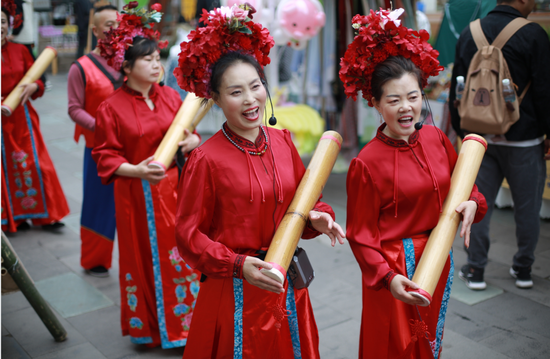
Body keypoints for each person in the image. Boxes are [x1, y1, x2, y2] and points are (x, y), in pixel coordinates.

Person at [174, 5, 345, 358]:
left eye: (255, 86)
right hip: (237, 289)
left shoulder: (282, 140)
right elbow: (188, 236)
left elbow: (305, 201)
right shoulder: (206, 159)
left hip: (287, 283)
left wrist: (319, 217)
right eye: (236, 92)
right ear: (217, 100)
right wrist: (238, 265)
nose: (250, 99)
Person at [340, 9, 488, 359]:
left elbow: (465, 188)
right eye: (393, 100)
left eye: (413, 96)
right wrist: (387, 277)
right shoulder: (366, 163)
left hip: (438, 260)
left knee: (427, 341)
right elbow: (360, 236)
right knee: (394, 346)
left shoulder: (436, 138)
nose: (406, 108)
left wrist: (473, 204)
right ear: (375, 103)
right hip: (394, 272)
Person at [92, 3, 201, 348]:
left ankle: (188, 323)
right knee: (144, 255)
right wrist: (136, 170)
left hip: (176, 189)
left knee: (183, 253)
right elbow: (105, 156)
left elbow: (190, 137)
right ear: (126, 66)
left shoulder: (171, 96)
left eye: (158, 58)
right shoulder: (110, 107)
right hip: (137, 193)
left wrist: (193, 141)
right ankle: (152, 328)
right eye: (148, 60)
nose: (157, 65)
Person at [449, 0, 550, 290]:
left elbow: (459, 85)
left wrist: (464, 129)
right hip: (525, 139)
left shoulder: (470, 32)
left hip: (478, 140)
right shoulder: (534, 34)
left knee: (476, 207)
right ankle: (523, 270)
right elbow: (544, 90)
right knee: (527, 209)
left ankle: (476, 270)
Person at [1, 0, 69, 232]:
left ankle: (47, 216)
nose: (0, 26)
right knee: (5, 169)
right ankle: (14, 218)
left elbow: (39, 79)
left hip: (22, 118)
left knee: (37, 164)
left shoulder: (21, 50)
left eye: (2, 22)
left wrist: (34, 87)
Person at [67, 4, 120, 278]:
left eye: (117, 24)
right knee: (98, 205)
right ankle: (95, 259)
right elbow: (74, 108)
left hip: (132, 146)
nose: (114, 29)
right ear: (96, 30)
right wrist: (101, 127)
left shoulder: (130, 62)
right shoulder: (81, 67)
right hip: (98, 147)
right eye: (107, 25)